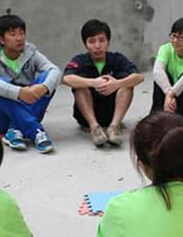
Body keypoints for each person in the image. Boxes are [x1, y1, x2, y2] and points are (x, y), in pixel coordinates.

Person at [0, 13, 61, 153]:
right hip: (0, 119)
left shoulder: (30, 53)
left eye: (21, 33)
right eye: (13, 34)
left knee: (48, 79)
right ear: (1, 39)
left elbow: (55, 70)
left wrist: (42, 87)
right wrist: (18, 93)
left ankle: (15, 130)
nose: (19, 38)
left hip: (28, 106)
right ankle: (35, 130)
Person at [62, 19, 144, 147]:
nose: (97, 46)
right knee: (79, 87)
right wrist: (92, 82)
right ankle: (95, 129)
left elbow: (138, 77)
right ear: (85, 44)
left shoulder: (117, 59)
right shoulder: (80, 60)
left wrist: (117, 84)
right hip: (86, 118)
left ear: (108, 42)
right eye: (92, 41)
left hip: (112, 114)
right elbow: (66, 78)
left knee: (126, 86)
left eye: (102, 40)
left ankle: (114, 128)